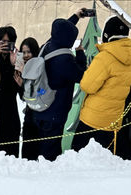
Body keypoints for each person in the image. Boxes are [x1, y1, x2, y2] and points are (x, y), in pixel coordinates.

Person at [19, 12, 87, 161]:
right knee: (49, 156)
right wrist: (80, 54)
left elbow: (60, 33)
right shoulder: (66, 60)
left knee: (34, 153)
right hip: (54, 115)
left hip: (39, 109)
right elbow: (82, 76)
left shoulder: (46, 46)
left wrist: (75, 17)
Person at [72, 15, 131, 153]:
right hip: (113, 122)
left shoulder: (105, 57)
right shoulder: (130, 60)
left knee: (78, 159)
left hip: (93, 120)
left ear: (107, 34)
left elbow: (87, 85)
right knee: (104, 165)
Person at [0, 25, 20, 156]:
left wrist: (14, 65)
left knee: (11, 151)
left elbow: (19, 90)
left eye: (8, 42)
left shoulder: (18, 58)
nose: (5, 45)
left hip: (10, 110)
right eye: (2, 42)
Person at [14, 37, 40, 159]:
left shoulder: (40, 65)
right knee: (26, 152)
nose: (25, 55)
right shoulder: (23, 68)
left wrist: (26, 75)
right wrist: (21, 85)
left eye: (28, 52)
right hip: (29, 114)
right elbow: (24, 97)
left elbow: (40, 91)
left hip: (40, 114)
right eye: (23, 52)